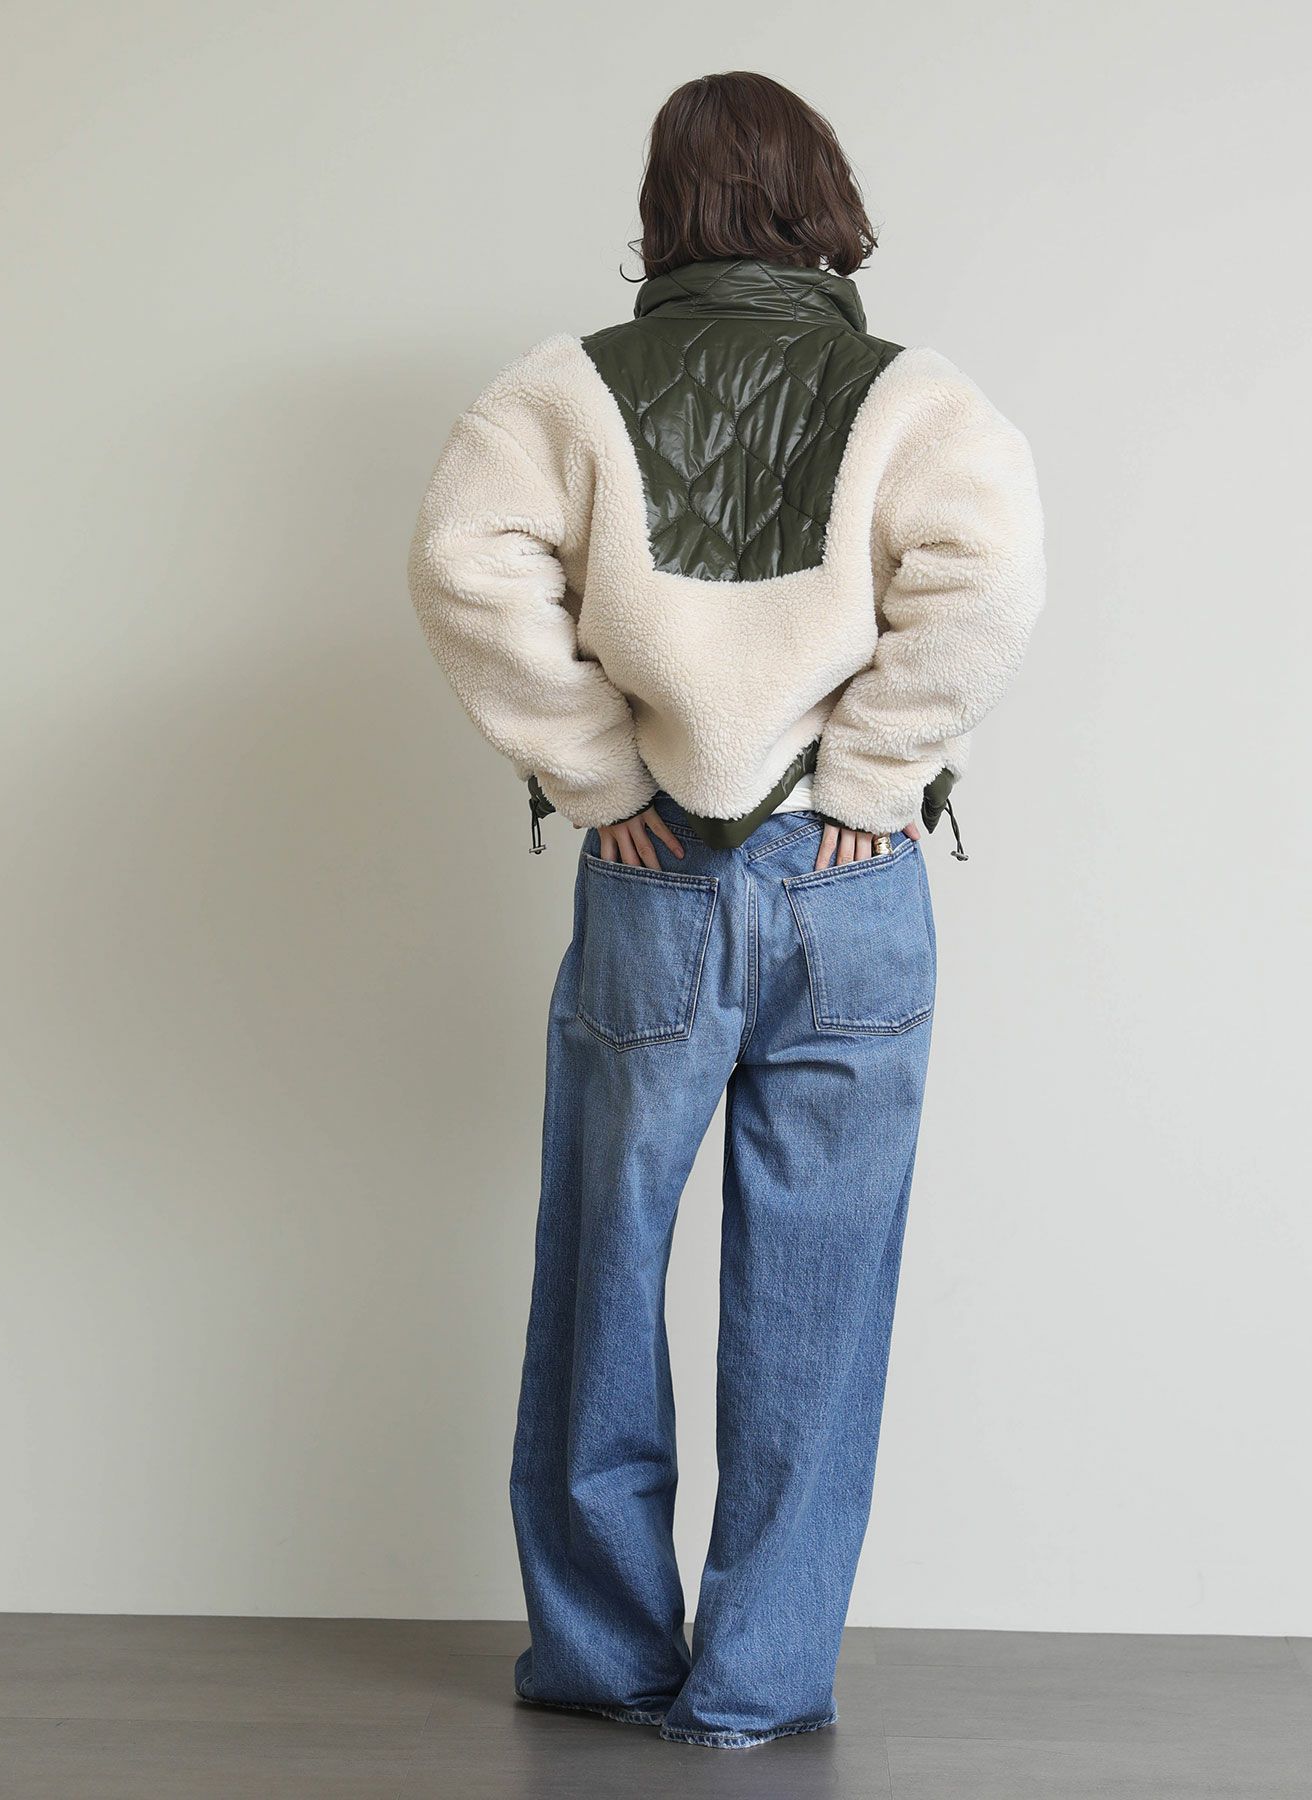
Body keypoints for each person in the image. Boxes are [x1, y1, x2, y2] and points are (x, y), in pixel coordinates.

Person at [407, 70, 1045, 1750]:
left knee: (602, 1270)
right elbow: (990, 578)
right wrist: (870, 780)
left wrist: (599, 775)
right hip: (852, 891)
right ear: (825, 200)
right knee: (820, 1296)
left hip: (657, 879)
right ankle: (758, 1686)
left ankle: (604, 1659)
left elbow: (465, 564)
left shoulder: (561, 392)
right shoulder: (914, 397)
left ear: (663, 211)